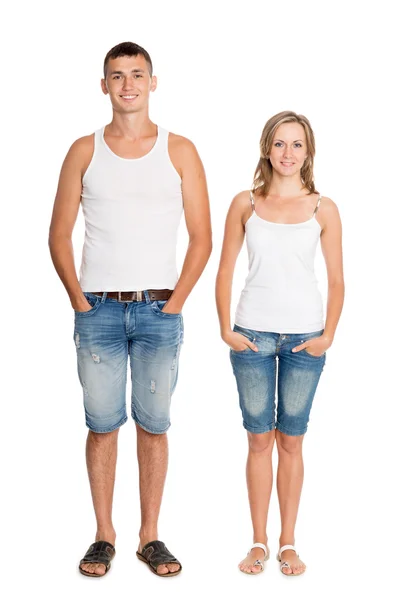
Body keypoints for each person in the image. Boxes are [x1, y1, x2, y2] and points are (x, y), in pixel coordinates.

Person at [49, 41, 212, 578]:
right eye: (116, 76)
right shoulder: (83, 150)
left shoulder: (180, 149)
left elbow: (202, 238)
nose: (127, 85)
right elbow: (58, 235)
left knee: (155, 425)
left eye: (136, 74)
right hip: (97, 309)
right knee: (101, 425)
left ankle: (150, 536)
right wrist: (79, 299)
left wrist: (176, 303)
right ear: (103, 86)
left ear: (153, 82)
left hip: (159, 312)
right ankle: (103, 535)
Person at [216, 111, 344, 576]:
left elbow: (336, 279)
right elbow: (226, 268)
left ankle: (288, 543)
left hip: (304, 339)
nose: (287, 153)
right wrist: (226, 328)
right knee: (257, 439)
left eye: (297, 145)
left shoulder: (322, 207)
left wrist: (326, 335)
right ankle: (257, 542)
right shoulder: (245, 204)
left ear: (308, 153)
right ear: (266, 148)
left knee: (291, 440)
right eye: (279, 144)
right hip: (251, 335)